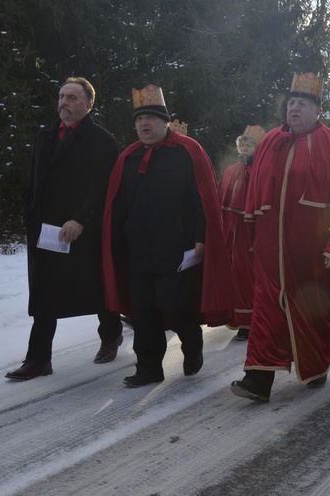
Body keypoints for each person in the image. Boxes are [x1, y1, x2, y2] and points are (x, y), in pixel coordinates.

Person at [230, 72, 330, 402]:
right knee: (266, 311)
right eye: (291, 103)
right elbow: (253, 196)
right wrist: (250, 237)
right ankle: (257, 379)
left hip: (313, 254)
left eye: (303, 103)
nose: (295, 109)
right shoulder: (271, 141)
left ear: (318, 111)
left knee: (312, 314)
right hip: (268, 252)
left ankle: (316, 366)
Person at [102, 84, 233, 387]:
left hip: (177, 249)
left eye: (150, 118)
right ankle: (149, 368)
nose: (144, 125)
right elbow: (118, 205)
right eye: (139, 120)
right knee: (142, 312)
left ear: (165, 122)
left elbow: (203, 199)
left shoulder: (188, 151)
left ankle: (192, 345)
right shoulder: (129, 158)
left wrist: (202, 238)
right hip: (139, 252)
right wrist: (116, 244)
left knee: (176, 307)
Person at [6, 77, 123, 381]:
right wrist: (29, 215)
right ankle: (38, 359)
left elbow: (103, 188)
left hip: (82, 230)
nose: (64, 103)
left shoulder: (102, 141)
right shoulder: (44, 136)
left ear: (88, 103)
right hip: (44, 231)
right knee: (44, 293)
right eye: (61, 96)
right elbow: (33, 180)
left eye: (72, 97)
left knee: (95, 286)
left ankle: (111, 335)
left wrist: (81, 219)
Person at [218, 124, 266, 341]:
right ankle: (241, 320)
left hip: (253, 234)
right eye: (242, 144)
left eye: (250, 144)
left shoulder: (262, 171)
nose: (245, 147)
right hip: (233, 234)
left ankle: (255, 320)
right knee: (236, 276)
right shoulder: (231, 171)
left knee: (252, 276)